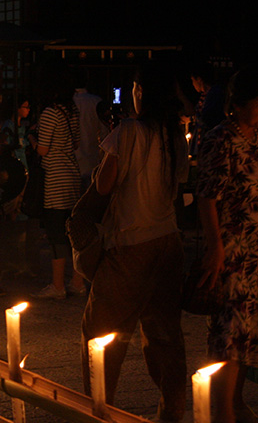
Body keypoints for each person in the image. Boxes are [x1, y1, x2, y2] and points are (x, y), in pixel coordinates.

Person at [81, 64, 188, 422]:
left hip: (131, 245)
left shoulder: (127, 131)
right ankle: (172, 411)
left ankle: (96, 410)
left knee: (100, 335)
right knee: (164, 336)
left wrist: (106, 156)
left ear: (141, 92)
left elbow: (103, 186)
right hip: (167, 243)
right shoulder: (174, 134)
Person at [197, 67, 258, 423]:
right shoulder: (221, 139)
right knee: (231, 334)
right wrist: (215, 246)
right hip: (235, 252)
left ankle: (237, 401)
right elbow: (207, 197)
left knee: (252, 334)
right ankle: (222, 410)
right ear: (238, 104)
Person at [33, 74, 85, 299]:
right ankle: (77, 282)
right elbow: (76, 143)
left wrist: (32, 140)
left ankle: (57, 286)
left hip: (55, 177)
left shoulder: (49, 113)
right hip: (72, 174)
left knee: (56, 233)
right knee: (72, 231)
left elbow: (43, 150)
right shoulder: (71, 111)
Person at [73, 68, 108, 189]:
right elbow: (105, 133)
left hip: (72, 161)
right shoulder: (96, 102)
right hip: (92, 159)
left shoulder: (69, 102)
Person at [189, 63, 226, 156]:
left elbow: (207, 119)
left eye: (193, 80)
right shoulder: (205, 95)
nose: (192, 84)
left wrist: (193, 118)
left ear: (199, 80)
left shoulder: (215, 94)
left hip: (211, 144)